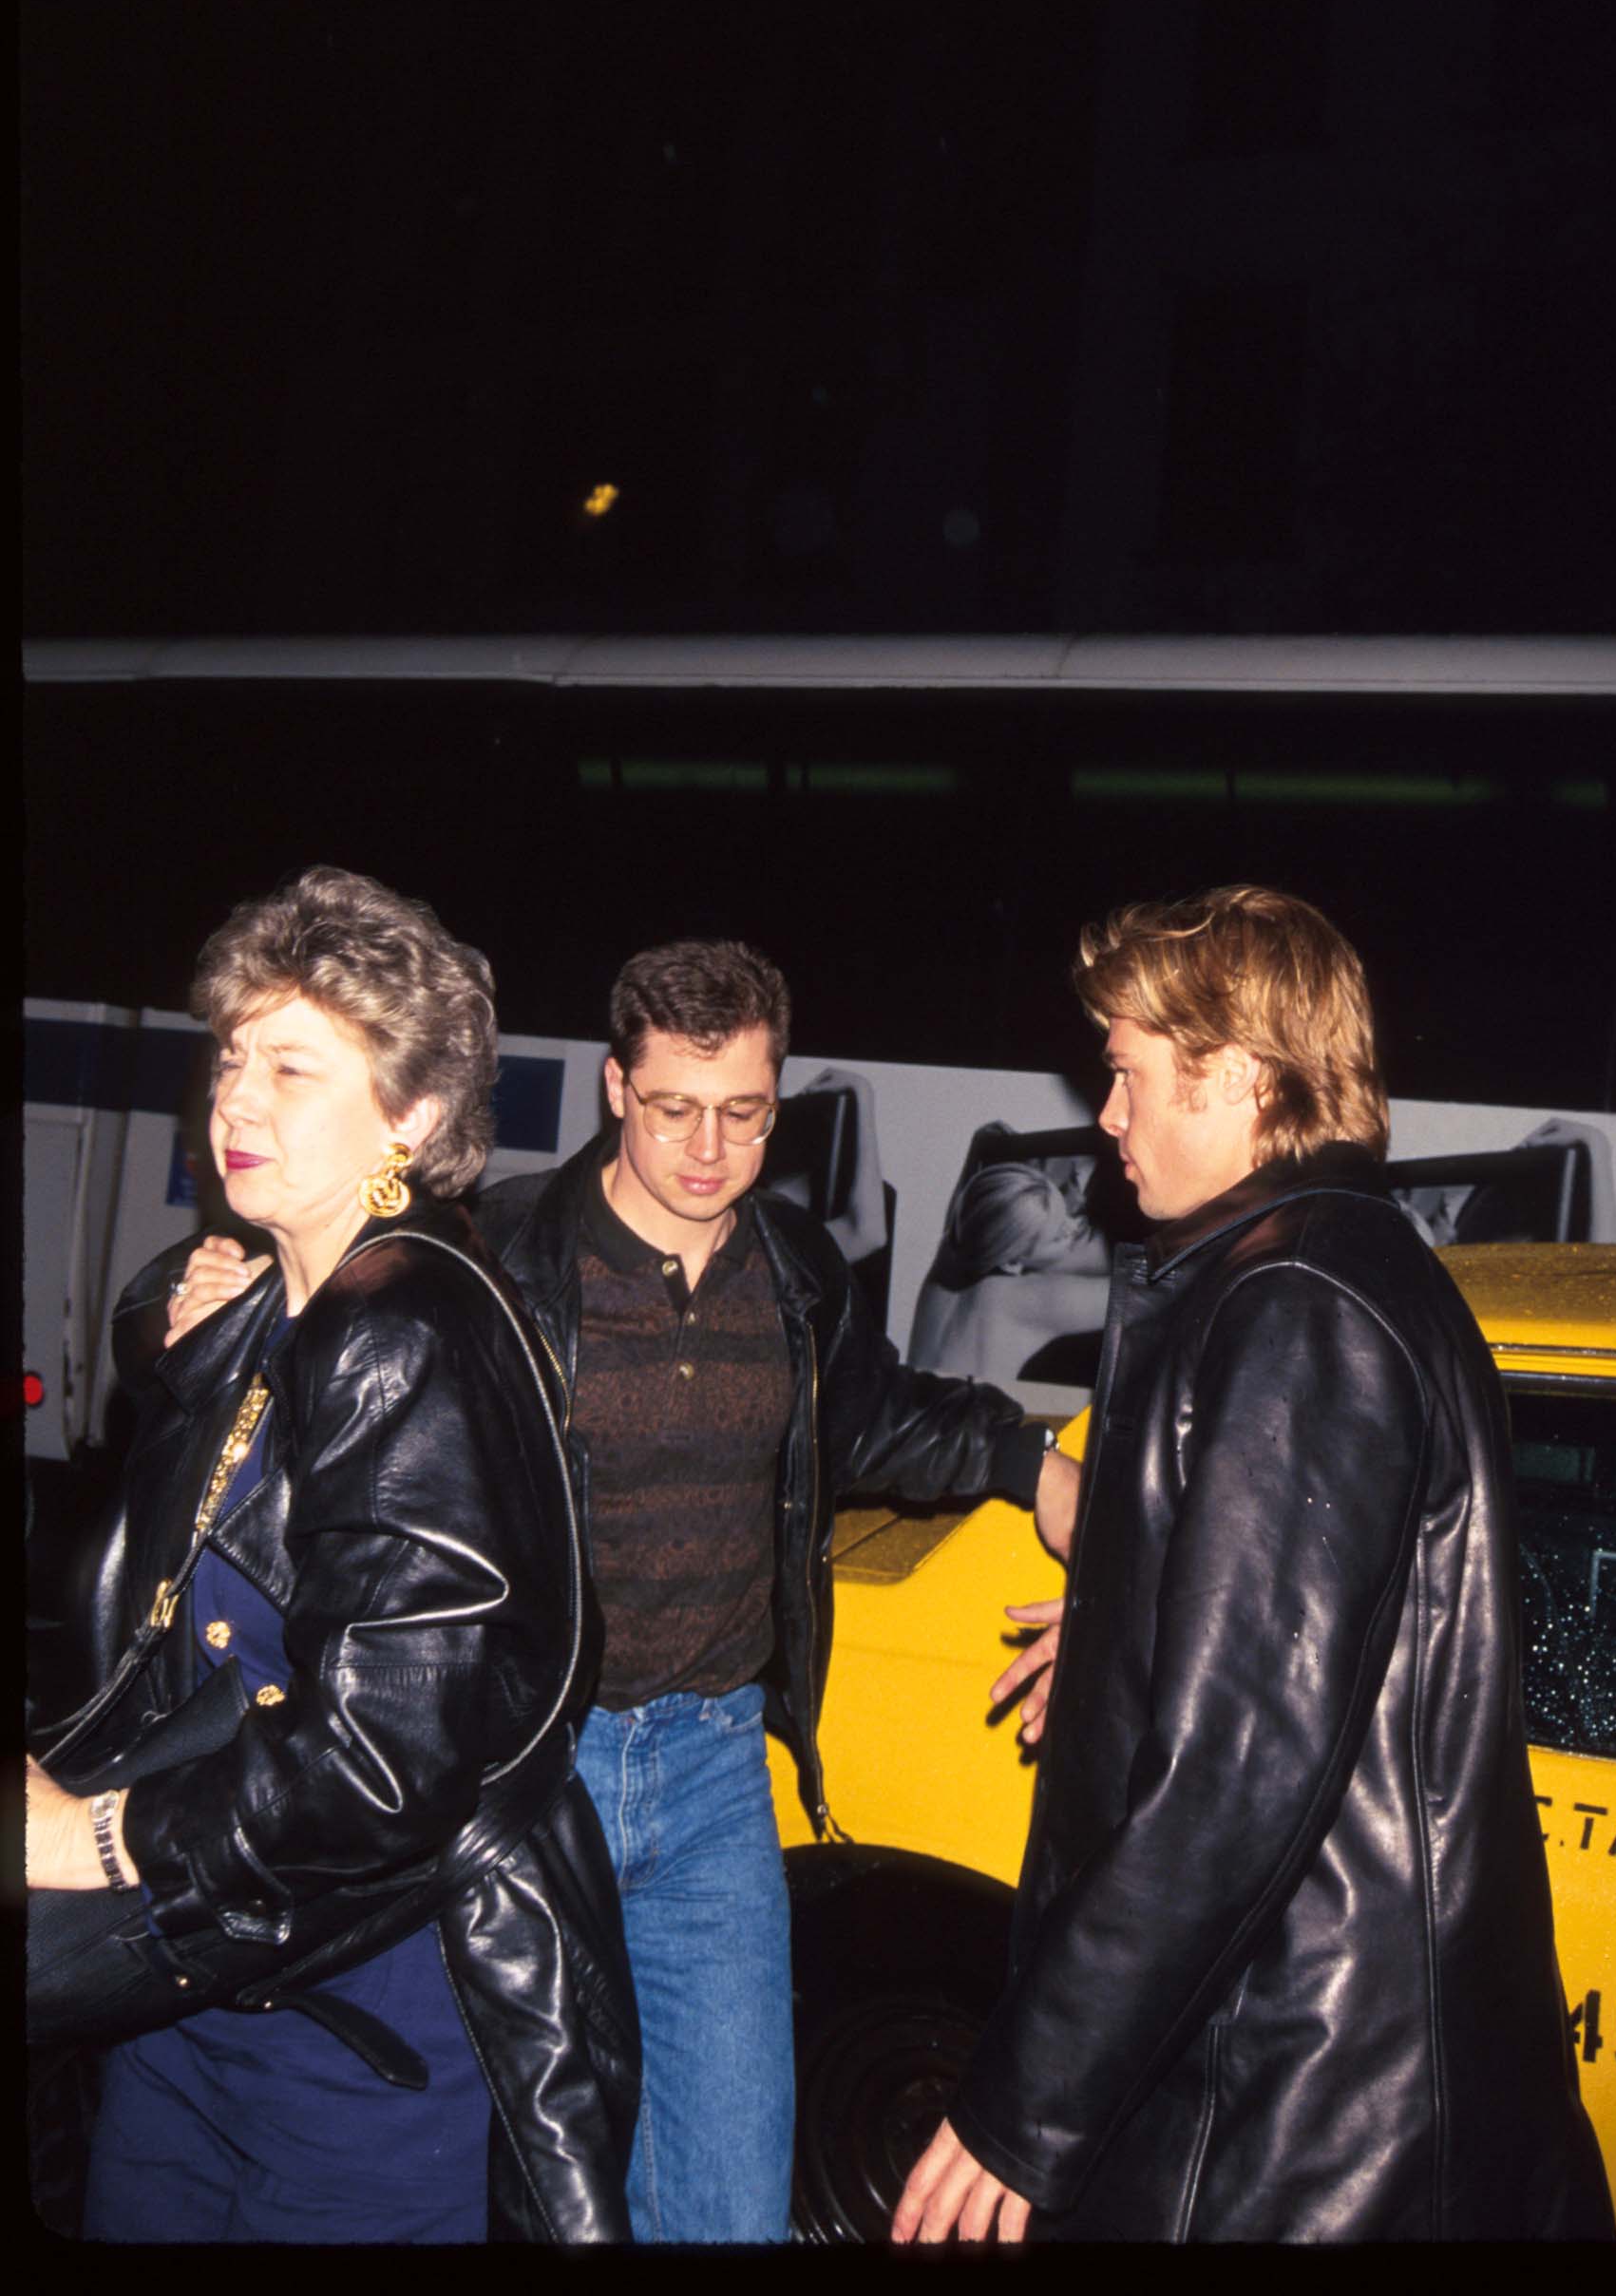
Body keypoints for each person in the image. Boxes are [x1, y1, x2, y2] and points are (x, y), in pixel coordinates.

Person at [167, 933, 1078, 2246]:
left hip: (713, 1776)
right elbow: (329, 1302)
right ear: (614, 1088)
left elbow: (872, 1415)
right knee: (514, 2182)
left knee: (726, 2205)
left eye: (745, 1115)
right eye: (673, 1111)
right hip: (534, 1771)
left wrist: (1033, 1461)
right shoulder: (502, 1255)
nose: (709, 1151)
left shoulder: (794, 1265)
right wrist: (200, 1293)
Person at [894, 883, 1614, 2244]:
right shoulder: (1329, 1264)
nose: (1103, 1118)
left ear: (1231, 1076)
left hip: (1301, 2094)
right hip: (1312, 2055)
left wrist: (1023, 2101)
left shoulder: (1295, 1307)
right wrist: (1122, 1635)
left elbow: (1238, 1765)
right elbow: (1329, 1636)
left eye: (1124, 1074)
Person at [28, 867, 639, 2244]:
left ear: (411, 1115)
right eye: (233, 1057)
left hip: (356, 2025)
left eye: (294, 1067)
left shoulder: (403, 1324)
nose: (236, 1100)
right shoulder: (286, 1308)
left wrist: (91, 1835)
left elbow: (387, 1759)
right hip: (195, 1997)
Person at [909, 1142, 1112, 1388]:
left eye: (1065, 1212)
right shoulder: (1019, 1300)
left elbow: (972, 1213)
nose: (1075, 1225)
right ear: (1013, 1262)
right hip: (965, 1426)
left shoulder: (945, 1267)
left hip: (911, 1416)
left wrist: (979, 1154)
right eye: (1059, 1235)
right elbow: (1155, 1289)